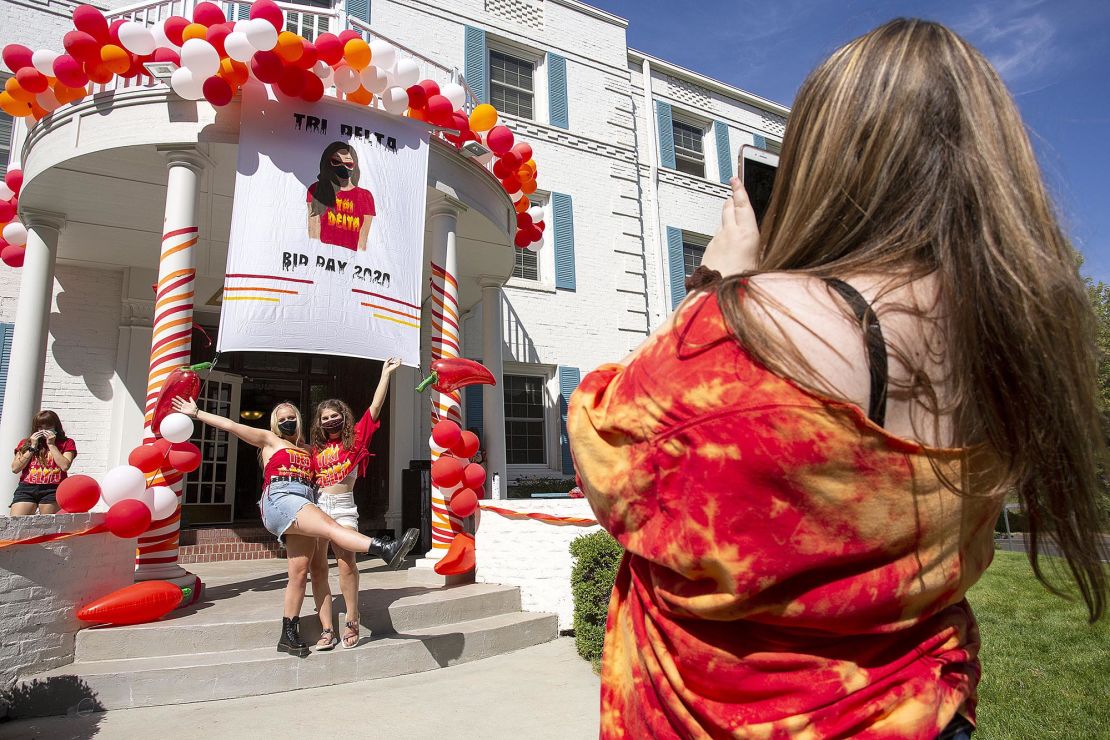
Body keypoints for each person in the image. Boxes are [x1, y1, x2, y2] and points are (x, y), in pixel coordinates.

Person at [568, 19, 1107, 739]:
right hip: (917, 707)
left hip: (738, 716)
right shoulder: (1013, 332)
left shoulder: (756, 315)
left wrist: (716, 281)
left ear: (827, 156)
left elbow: (612, 451)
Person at [171, 397, 418, 657]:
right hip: (281, 497)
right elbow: (231, 425)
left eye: (291, 418)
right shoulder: (269, 440)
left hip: (305, 500)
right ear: (275, 424)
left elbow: (336, 456)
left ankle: (287, 634)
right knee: (331, 528)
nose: (287, 422)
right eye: (282, 419)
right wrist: (197, 412)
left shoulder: (308, 449)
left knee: (300, 572)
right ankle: (384, 547)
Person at [308, 357, 401, 650]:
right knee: (318, 567)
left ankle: (351, 618)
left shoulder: (356, 438)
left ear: (343, 418)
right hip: (319, 506)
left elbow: (374, 408)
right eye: (324, 418)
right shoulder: (314, 450)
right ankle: (326, 628)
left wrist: (384, 375)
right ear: (319, 423)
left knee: (347, 563)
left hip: (344, 506)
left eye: (334, 416)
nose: (330, 421)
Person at [307, 142, 375, 251]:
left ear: (354, 166)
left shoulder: (365, 197)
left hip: (352, 262)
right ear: (327, 162)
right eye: (336, 161)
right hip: (321, 258)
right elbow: (313, 232)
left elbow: (362, 240)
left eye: (348, 164)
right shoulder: (316, 189)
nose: (342, 166)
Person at [10, 410, 76, 516]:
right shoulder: (26, 443)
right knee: (16, 522)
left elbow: (65, 466)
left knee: (48, 524)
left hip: (53, 488)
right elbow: (15, 468)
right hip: (27, 487)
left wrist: (51, 444)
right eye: (40, 427)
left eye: (48, 426)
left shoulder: (67, 442)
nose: (44, 430)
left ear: (55, 426)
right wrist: (32, 447)